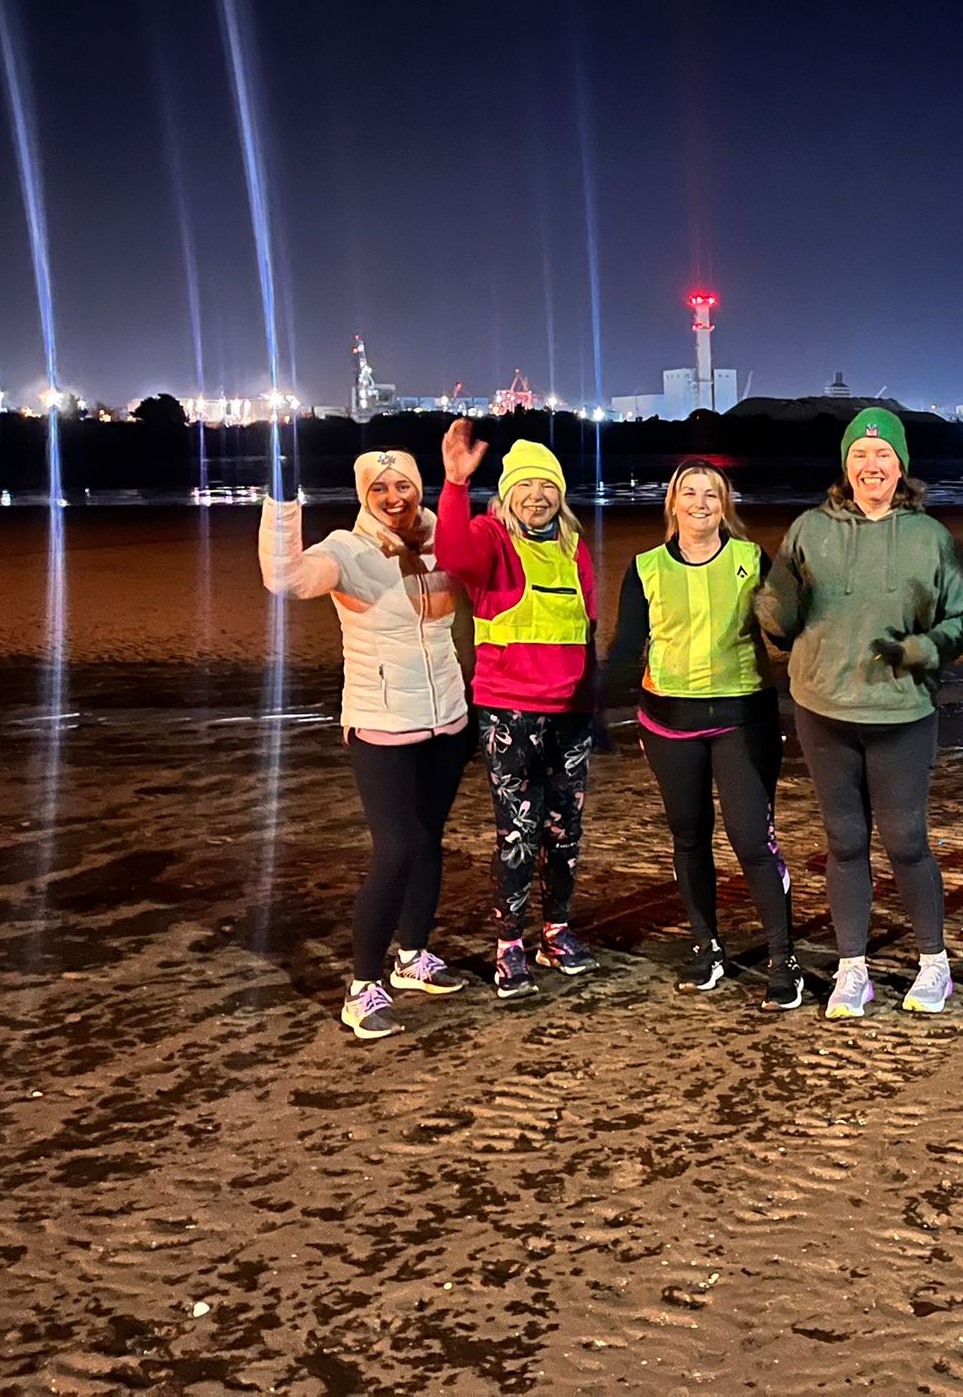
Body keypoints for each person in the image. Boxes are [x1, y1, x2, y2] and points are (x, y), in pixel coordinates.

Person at [756, 407, 963, 1020]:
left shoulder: (929, 537)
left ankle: (933, 963)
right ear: (845, 466)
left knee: (906, 841)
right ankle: (853, 968)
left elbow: (959, 623)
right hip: (823, 708)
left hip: (901, 712)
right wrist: (772, 610)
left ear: (900, 467)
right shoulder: (808, 529)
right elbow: (782, 617)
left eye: (882, 455)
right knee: (844, 841)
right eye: (859, 455)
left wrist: (919, 650)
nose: (871, 466)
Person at [259, 450, 473, 1039]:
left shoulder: (443, 542)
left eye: (403, 485)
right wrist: (283, 505)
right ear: (364, 494)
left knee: (428, 841)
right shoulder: (347, 551)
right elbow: (287, 578)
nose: (394, 497)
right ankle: (362, 987)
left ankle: (413, 956)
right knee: (396, 848)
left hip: (448, 719)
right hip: (380, 723)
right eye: (380, 488)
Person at [604, 461, 802, 1011]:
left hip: (743, 718)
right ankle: (706, 945)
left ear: (724, 505)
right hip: (669, 722)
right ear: (672, 503)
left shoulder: (750, 559)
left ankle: (782, 957)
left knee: (751, 839)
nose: (699, 503)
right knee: (689, 835)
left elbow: (784, 631)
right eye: (688, 493)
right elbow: (627, 647)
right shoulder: (645, 567)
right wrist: (590, 702)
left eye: (710, 494)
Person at [436, 421, 602, 1000]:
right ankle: (509, 944)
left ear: (561, 494)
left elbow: (587, 627)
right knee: (518, 833)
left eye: (547, 486)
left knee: (565, 830)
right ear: (507, 496)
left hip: (570, 714)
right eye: (525, 487)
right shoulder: (491, 539)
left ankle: (556, 932)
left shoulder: (574, 547)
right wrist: (455, 484)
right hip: (509, 712)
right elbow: (452, 554)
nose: (537, 496)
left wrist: (594, 704)